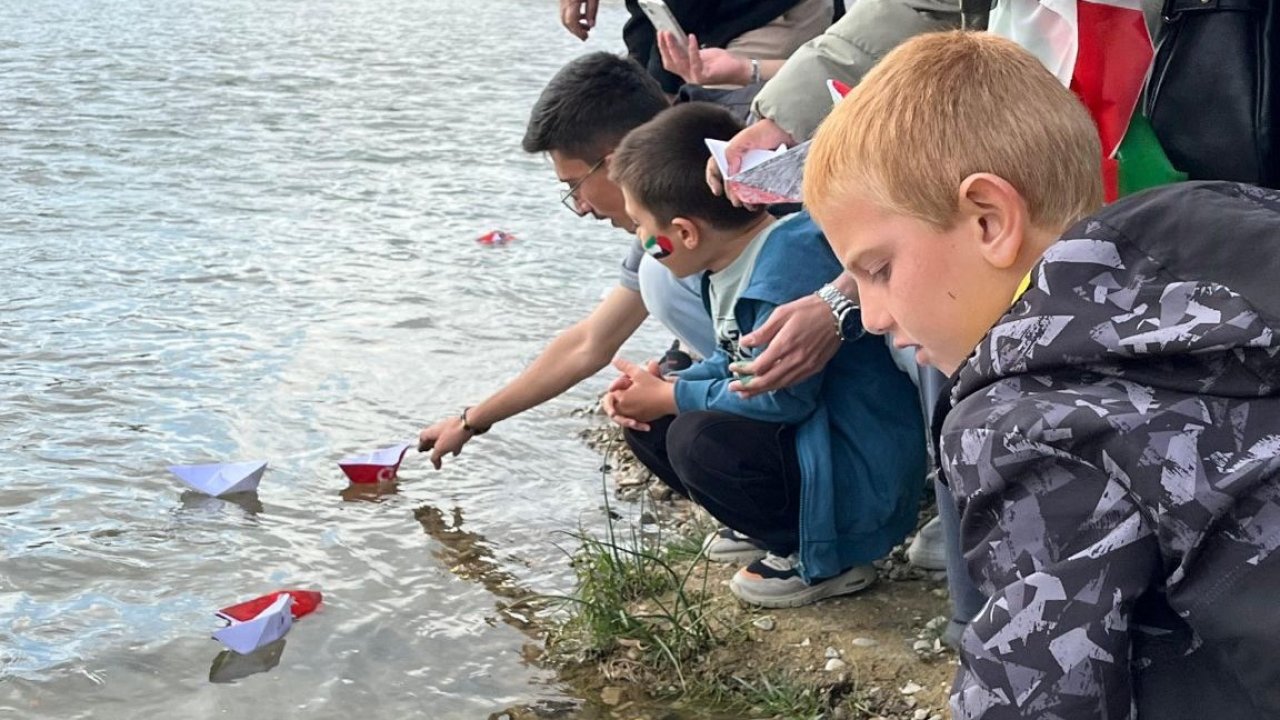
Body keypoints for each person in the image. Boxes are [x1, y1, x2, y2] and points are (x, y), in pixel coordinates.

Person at [804, 30, 1280, 718]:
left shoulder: (1020, 422)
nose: (873, 317)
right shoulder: (1225, 244)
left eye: (878, 270)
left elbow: (1038, 694)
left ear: (989, 219)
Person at [417, 52, 846, 471]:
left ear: (613, 163)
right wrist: (472, 420)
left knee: (658, 276)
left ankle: (798, 451)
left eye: (575, 186)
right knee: (656, 413)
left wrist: (672, 395)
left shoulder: (744, 177)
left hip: (832, 384)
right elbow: (590, 341)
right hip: (792, 361)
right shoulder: (688, 172)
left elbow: (592, 343)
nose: (581, 207)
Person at [605, 102, 926, 608]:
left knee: (692, 436)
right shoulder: (727, 264)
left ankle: (826, 558)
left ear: (685, 232)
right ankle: (766, 527)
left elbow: (783, 399)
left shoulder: (784, 265)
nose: (642, 243)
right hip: (817, 444)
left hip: (860, 475)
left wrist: (673, 397)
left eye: (642, 229)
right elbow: (735, 357)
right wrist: (659, 389)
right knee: (650, 421)